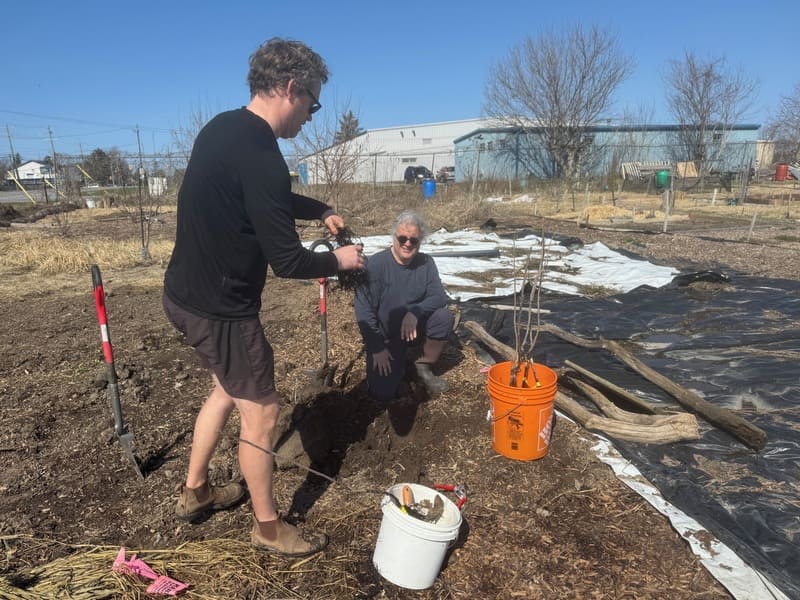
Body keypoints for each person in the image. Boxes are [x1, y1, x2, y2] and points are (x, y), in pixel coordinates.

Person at [162, 38, 364, 557]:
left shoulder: (224, 130)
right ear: (292, 88)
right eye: (313, 103)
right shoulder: (263, 155)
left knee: (227, 391)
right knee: (264, 413)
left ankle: (196, 491)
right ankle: (269, 527)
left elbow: (264, 195)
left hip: (183, 296)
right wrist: (338, 262)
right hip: (223, 311)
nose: (312, 117)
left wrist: (319, 207)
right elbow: (290, 261)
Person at [354, 210, 453, 404]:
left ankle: (422, 365)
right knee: (382, 394)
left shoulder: (426, 263)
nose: (407, 243)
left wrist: (415, 311)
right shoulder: (376, 265)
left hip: (415, 328)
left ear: (420, 242)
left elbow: (439, 296)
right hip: (386, 337)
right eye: (402, 238)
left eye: (413, 240)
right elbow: (364, 310)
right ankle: (396, 365)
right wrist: (377, 348)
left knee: (443, 317)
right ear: (394, 238)